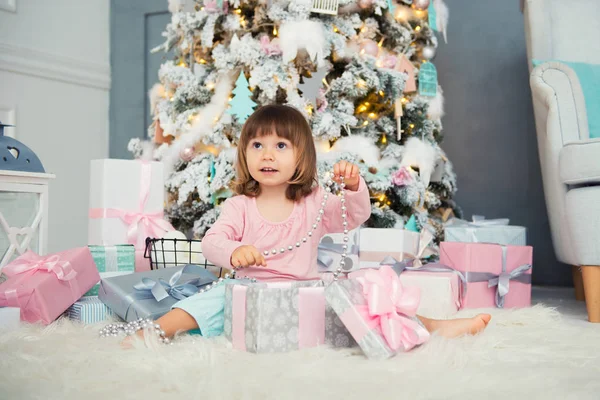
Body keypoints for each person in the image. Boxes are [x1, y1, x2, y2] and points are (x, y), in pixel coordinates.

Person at [129, 104, 491, 345]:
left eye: (281, 145)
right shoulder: (240, 206)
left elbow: (354, 215)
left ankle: (431, 327)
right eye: (257, 145)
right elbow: (211, 243)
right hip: (248, 293)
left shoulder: (313, 201)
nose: (267, 154)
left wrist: (354, 187)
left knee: (368, 303)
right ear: (244, 155)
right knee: (207, 302)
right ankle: (155, 332)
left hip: (305, 293)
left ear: (303, 156)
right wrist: (234, 251)